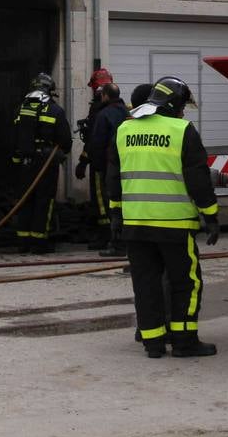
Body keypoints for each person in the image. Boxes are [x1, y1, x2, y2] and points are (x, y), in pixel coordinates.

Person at [106, 76, 220, 358]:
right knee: (186, 283)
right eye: (182, 105)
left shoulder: (125, 129)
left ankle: (153, 343)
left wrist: (115, 213)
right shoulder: (182, 130)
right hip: (175, 225)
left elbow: (113, 177)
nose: (183, 111)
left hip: (135, 225)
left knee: (145, 284)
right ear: (173, 104)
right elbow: (198, 179)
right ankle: (184, 342)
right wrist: (211, 216)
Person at [11, 72, 72, 253]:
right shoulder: (55, 110)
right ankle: (39, 243)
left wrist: (18, 161)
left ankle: (23, 243)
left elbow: (14, 138)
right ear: (49, 89)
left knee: (24, 200)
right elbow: (66, 141)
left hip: (24, 163)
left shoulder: (21, 109)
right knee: (44, 201)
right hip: (46, 163)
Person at [86, 82, 130, 256]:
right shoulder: (127, 112)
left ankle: (114, 241)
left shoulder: (103, 114)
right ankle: (122, 241)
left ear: (104, 95)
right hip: (127, 165)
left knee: (108, 203)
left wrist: (94, 165)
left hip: (107, 166)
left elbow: (97, 142)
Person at [75, 67, 116, 247]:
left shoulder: (97, 109)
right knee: (114, 198)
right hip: (116, 162)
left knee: (100, 200)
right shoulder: (120, 107)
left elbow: (93, 142)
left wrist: (83, 162)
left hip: (100, 162)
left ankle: (105, 236)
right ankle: (116, 235)